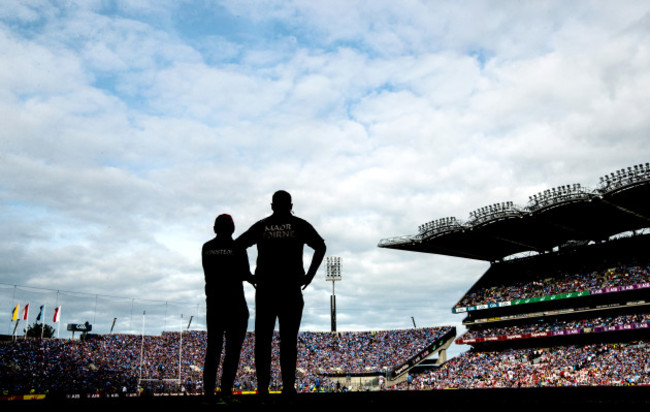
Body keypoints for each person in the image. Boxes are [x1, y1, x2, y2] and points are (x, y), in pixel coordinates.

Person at [236, 190, 326, 399]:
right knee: (288, 341)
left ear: (272, 205)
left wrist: (248, 275)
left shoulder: (262, 226)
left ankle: (263, 389)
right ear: (291, 204)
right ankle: (288, 388)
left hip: (266, 289)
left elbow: (238, 244)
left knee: (263, 340)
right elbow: (320, 246)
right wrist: (310, 275)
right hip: (291, 289)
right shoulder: (300, 225)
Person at [202, 214, 255, 404]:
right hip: (236, 306)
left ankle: (208, 394)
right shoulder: (238, 247)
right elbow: (246, 274)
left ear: (215, 228)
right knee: (232, 352)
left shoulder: (207, 248)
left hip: (215, 306)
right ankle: (225, 393)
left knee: (213, 350)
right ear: (233, 229)